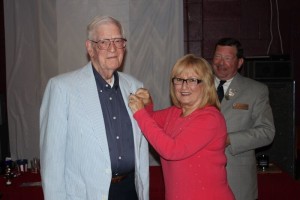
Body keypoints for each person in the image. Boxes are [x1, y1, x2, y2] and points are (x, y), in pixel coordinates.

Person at [39, 16, 149, 200]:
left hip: (131, 191)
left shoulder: (135, 87)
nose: (113, 48)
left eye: (118, 41)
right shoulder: (62, 88)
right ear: (90, 48)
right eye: (104, 42)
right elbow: (52, 163)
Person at [128, 54, 235, 200]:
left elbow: (171, 150)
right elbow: (148, 123)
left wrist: (140, 113)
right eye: (179, 80)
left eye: (192, 80)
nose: (184, 86)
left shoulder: (210, 118)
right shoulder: (175, 112)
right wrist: (147, 105)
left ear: (206, 85)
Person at [212, 37, 275, 200]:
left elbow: (267, 132)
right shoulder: (197, 87)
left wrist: (230, 140)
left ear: (240, 62)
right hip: (201, 176)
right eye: (218, 57)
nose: (221, 63)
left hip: (237, 180)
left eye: (227, 58)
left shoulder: (256, 90)